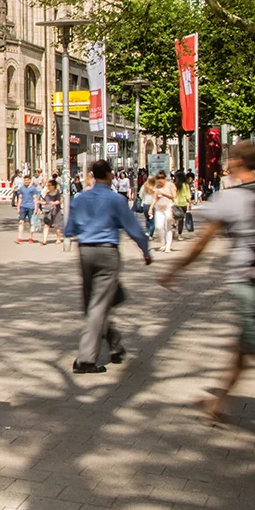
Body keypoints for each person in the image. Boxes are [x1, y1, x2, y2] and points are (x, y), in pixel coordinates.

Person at [160, 140, 255, 456]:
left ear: (233, 163)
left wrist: (175, 269)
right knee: (243, 349)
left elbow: (203, 240)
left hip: (252, 284)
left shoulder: (230, 197)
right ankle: (219, 403)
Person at [64, 160, 150, 374]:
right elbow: (134, 228)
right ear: (110, 175)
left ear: (93, 175)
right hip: (107, 252)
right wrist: (145, 251)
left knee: (93, 303)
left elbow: (69, 229)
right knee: (100, 305)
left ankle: (114, 342)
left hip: (85, 252)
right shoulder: (116, 200)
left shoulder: (80, 199)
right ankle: (85, 359)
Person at [151, 172, 178, 253]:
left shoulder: (170, 185)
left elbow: (174, 196)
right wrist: (151, 208)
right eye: (158, 181)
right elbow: (154, 198)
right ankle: (163, 243)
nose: (159, 183)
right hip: (159, 209)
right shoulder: (156, 187)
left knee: (168, 227)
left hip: (168, 207)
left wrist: (163, 193)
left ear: (164, 179)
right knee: (159, 226)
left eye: (161, 181)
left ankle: (168, 246)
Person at [14, 175, 40, 244]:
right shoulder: (21, 189)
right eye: (25, 180)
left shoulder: (33, 189)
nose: (26, 181)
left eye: (28, 180)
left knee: (31, 223)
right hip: (23, 206)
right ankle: (20, 237)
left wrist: (36, 208)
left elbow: (35, 198)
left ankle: (31, 237)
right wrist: (18, 207)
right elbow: (20, 198)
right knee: (21, 222)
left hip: (31, 207)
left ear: (30, 180)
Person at [39, 178, 64, 247]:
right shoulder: (47, 194)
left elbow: (60, 201)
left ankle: (58, 238)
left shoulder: (57, 193)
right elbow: (45, 201)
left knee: (56, 226)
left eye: (50, 185)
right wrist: (40, 202)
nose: (48, 187)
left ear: (54, 186)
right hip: (48, 211)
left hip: (56, 211)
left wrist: (55, 203)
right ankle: (44, 240)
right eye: (48, 185)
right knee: (46, 225)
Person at [173, 174, 192, 241]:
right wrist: (190, 204)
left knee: (174, 218)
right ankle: (179, 235)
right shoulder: (186, 185)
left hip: (175, 204)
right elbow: (188, 196)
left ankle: (174, 226)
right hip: (183, 204)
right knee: (181, 220)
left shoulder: (174, 185)